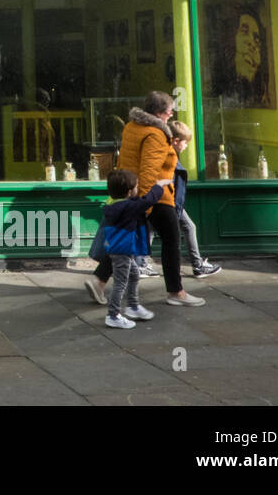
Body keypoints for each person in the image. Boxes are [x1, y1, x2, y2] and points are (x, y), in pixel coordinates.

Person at [86, 91, 206, 308]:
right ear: (159, 113)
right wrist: (146, 204)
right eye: (169, 112)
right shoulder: (155, 134)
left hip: (132, 190)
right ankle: (176, 292)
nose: (170, 116)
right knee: (171, 238)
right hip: (156, 195)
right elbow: (150, 170)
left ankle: (99, 281)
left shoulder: (132, 126)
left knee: (126, 239)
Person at [100, 168, 171, 329]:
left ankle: (133, 306)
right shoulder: (128, 207)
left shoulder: (112, 203)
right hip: (122, 251)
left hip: (117, 249)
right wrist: (159, 185)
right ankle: (113, 315)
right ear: (129, 192)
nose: (138, 189)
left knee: (133, 275)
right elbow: (148, 200)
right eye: (136, 186)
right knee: (120, 283)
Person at [168, 120, 220, 278]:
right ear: (176, 141)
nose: (186, 146)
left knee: (150, 230)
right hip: (169, 201)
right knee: (188, 228)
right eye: (185, 142)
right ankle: (197, 266)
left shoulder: (169, 154)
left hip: (169, 201)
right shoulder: (169, 156)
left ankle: (141, 263)